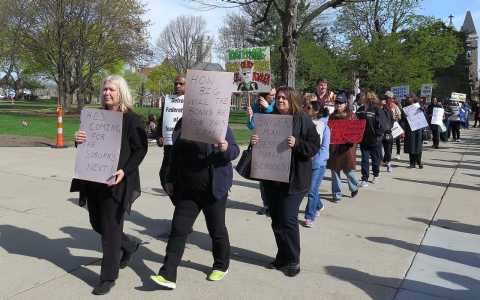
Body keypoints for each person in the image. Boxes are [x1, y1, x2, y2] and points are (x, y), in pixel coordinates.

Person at [71, 75, 148, 295]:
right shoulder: (95, 116)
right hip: (94, 178)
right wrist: (78, 138)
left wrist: (125, 171)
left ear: (121, 92)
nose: (107, 93)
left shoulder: (131, 119)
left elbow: (140, 149)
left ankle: (108, 277)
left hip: (116, 181)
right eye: (105, 89)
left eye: (112, 90)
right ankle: (130, 246)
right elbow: (85, 144)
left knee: (110, 230)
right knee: (98, 224)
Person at [150, 119, 240, 289]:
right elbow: (174, 154)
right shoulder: (182, 125)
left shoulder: (218, 124)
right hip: (187, 191)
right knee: (178, 230)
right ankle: (167, 274)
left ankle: (221, 265)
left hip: (213, 192)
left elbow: (235, 151)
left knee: (217, 230)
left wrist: (225, 149)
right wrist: (170, 178)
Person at [250, 86, 320, 277]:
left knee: (288, 219)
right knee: (276, 220)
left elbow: (314, 146)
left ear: (292, 100)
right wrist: (254, 142)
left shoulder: (303, 121)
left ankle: (294, 259)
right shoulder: (268, 120)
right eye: (278, 97)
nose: (280, 100)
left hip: (294, 180)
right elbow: (259, 146)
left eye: (283, 98)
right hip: (272, 178)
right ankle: (282, 255)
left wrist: (297, 144)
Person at [245, 85, 276, 216]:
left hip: (273, 146)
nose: (274, 97)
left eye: (274, 95)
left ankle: (274, 204)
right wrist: (250, 116)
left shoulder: (276, 105)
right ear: (263, 95)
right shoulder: (255, 106)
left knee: (273, 178)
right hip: (260, 145)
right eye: (271, 95)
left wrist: (268, 107)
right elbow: (251, 126)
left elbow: (276, 119)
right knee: (262, 179)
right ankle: (266, 204)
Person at [156, 74, 185, 205]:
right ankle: (179, 206)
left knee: (181, 182)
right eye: (176, 83)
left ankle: (182, 212)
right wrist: (158, 136)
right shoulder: (168, 101)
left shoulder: (193, 102)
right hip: (169, 149)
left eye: (181, 84)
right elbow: (161, 122)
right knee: (164, 178)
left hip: (184, 150)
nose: (177, 86)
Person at [327, 94, 360, 202]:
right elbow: (327, 130)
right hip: (334, 148)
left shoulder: (351, 115)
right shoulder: (331, 116)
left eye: (341, 103)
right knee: (335, 172)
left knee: (348, 171)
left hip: (346, 149)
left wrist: (352, 141)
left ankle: (355, 186)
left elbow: (357, 132)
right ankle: (337, 195)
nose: (338, 105)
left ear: (346, 104)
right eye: (337, 102)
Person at [303, 100, 331, 227]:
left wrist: (316, 162)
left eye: (308, 107)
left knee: (312, 190)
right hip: (306, 161)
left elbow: (324, 147)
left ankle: (309, 216)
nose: (305, 109)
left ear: (315, 111)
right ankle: (318, 205)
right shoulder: (305, 123)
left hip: (319, 163)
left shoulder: (324, 127)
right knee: (309, 189)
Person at [356, 90, 387, 187]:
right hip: (364, 140)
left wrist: (378, 134)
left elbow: (383, 123)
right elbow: (355, 123)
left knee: (375, 159)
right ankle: (364, 178)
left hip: (375, 140)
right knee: (364, 160)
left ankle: (376, 175)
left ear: (368, 96)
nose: (361, 96)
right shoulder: (360, 109)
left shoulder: (376, 108)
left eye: (363, 94)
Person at [402, 93, 425, 168]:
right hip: (410, 127)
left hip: (418, 127)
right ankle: (412, 163)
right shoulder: (405, 107)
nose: (407, 99)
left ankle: (419, 162)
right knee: (411, 145)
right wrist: (405, 116)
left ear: (412, 98)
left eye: (408, 97)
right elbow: (403, 118)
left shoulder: (419, 105)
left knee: (418, 145)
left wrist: (421, 110)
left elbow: (424, 114)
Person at [378, 94, 394, 172]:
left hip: (387, 133)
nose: (385, 100)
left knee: (388, 150)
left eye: (385, 99)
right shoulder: (376, 109)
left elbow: (391, 119)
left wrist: (390, 127)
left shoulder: (387, 110)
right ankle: (378, 165)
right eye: (383, 99)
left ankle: (388, 163)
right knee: (378, 150)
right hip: (379, 133)